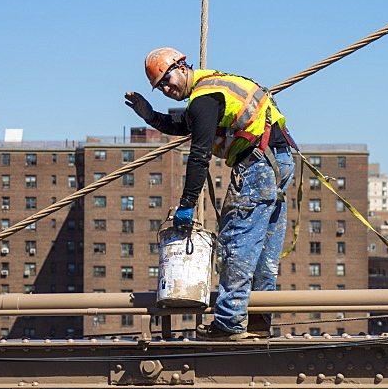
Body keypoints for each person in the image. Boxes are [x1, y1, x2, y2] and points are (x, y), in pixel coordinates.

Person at [125, 47, 294, 340]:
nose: (166, 89)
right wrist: (152, 117)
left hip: (259, 166)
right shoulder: (214, 86)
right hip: (278, 160)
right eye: (160, 87)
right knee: (264, 250)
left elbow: (199, 154)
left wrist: (187, 204)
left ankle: (228, 323)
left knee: (237, 243)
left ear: (181, 66)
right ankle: (258, 321)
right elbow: (188, 125)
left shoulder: (203, 98)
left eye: (167, 80)